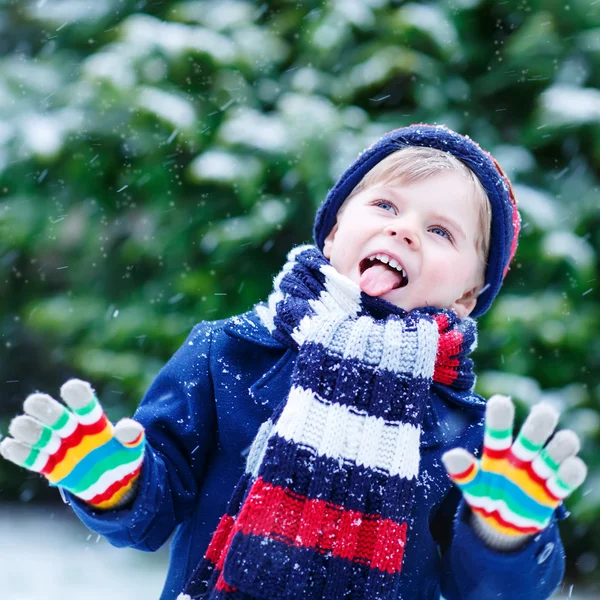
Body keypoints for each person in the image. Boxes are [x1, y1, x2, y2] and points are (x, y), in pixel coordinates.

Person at [0, 124, 587, 600]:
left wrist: (503, 537)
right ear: (333, 233)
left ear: (466, 295)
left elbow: (487, 591)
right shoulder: (229, 354)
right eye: (385, 204)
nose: (403, 230)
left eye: (439, 230)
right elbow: (152, 513)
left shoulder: (467, 436)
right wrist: (114, 483)